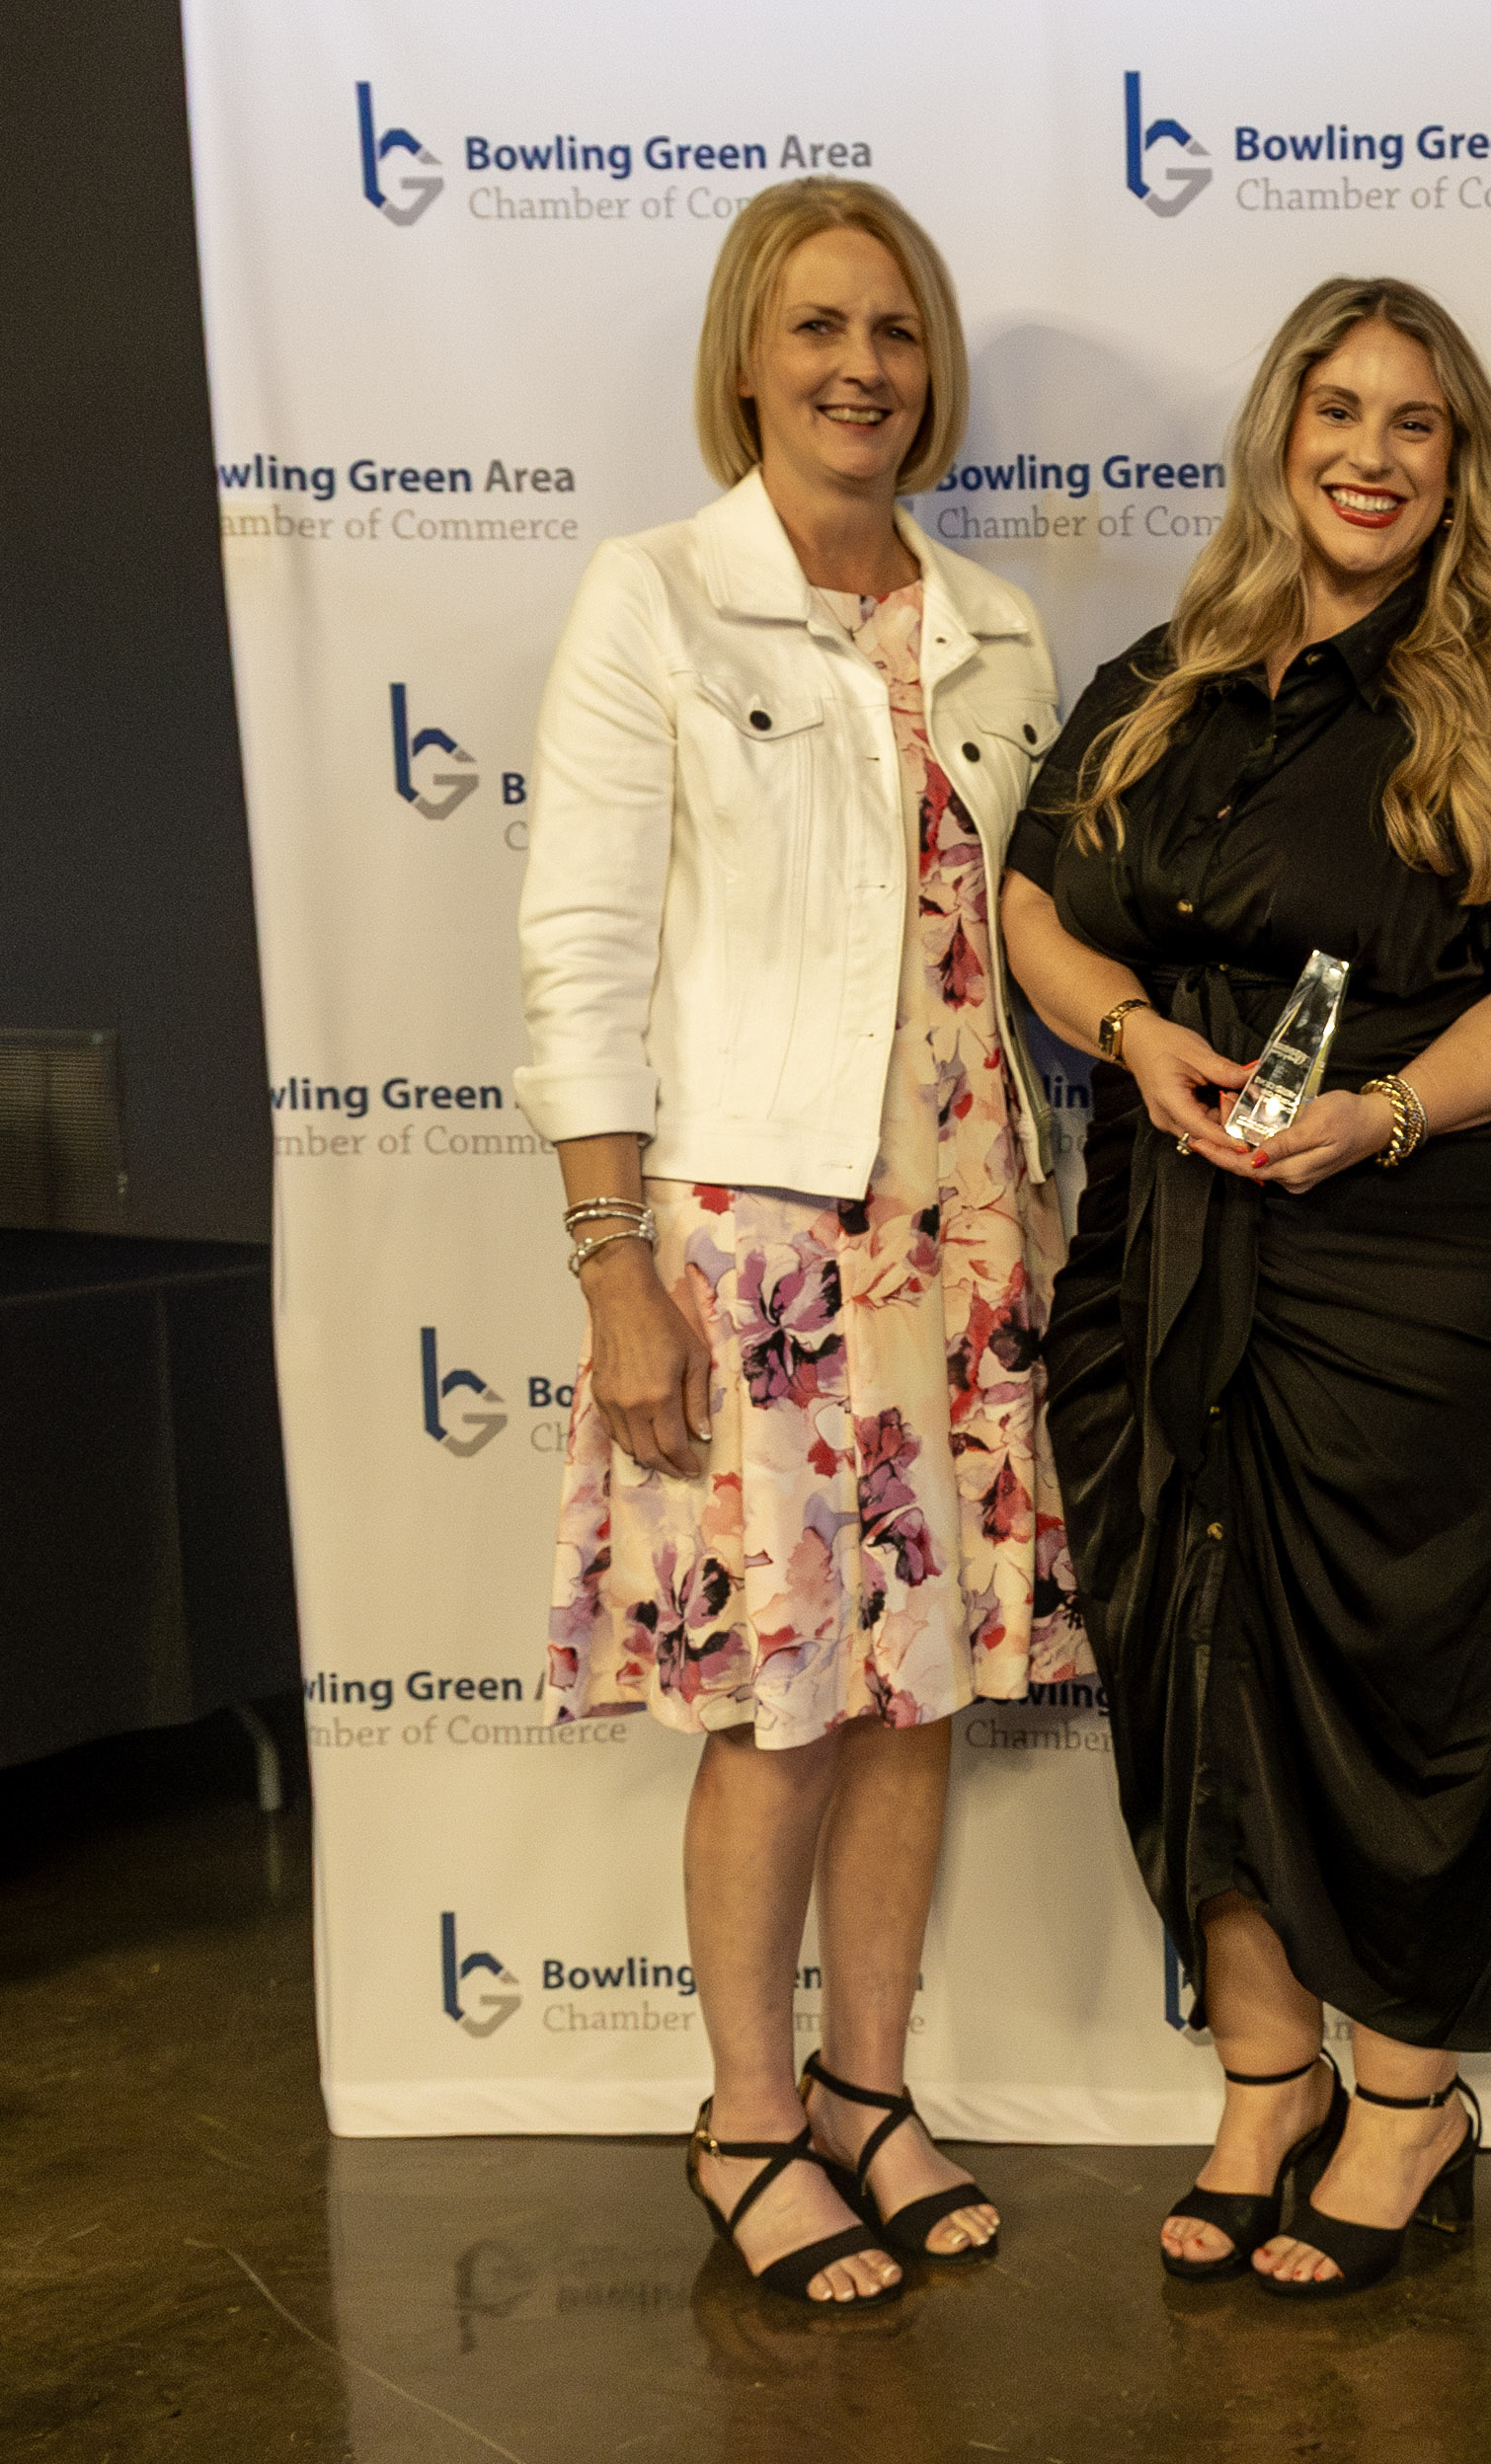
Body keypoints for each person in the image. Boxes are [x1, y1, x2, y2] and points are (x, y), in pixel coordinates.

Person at [999, 275, 1491, 2302]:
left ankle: (1410, 2098)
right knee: (1191, 1661)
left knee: (1412, 1688)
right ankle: (1267, 2076)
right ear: (1281, 436)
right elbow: (1032, 897)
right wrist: (1129, 1035)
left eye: (1414, 424)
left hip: (1431, 1257)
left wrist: (1386, 1112)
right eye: (1338, 412)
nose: (1370, 456)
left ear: (1461, 468)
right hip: (1168, 1249)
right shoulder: (1167, 680)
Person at [514, 179, 1078, 2309]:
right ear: (747, 360)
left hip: (971, 1224)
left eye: (896, 331)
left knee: (915, 1700)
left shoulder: (996, 626)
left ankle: (866, 2091)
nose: (863, 367)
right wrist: (612, 1266)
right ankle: (746, 2120)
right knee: (783, 1701)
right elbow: (579, 949)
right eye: (820, 327)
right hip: (754, 1244)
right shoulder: (656, 597)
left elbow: (1023, 939)